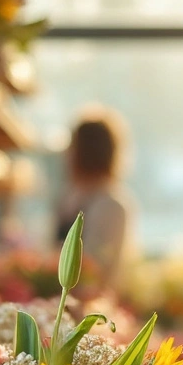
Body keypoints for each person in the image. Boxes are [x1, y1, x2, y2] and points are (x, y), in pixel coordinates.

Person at [57, 106, 137, 291]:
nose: (66, 154)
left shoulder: (111, 206)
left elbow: (96, 271)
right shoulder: (70, 197)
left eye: (72, 146)